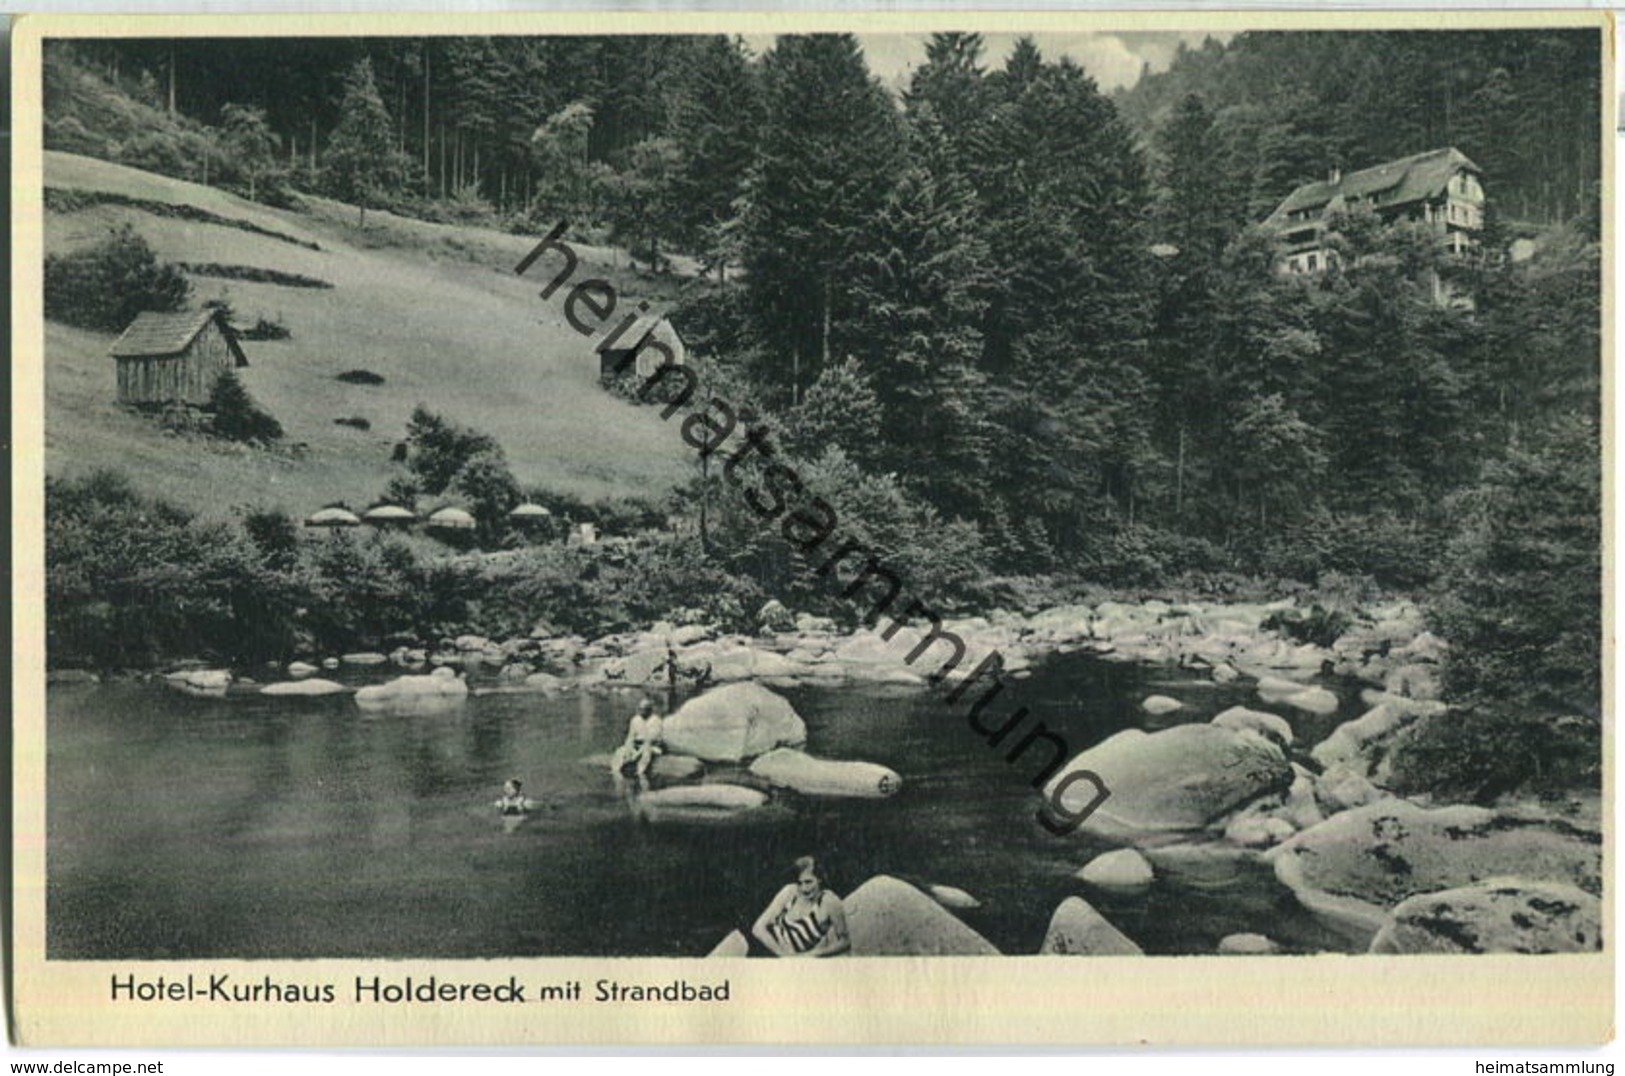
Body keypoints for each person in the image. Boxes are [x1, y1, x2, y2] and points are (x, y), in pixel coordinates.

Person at [751, 856, 850, 958]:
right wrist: (783, 955)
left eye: (808, 882)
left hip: (790, 963)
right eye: (799, 883)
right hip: (764, 949)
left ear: (819, 879)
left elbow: (845, 941)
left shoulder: (829, 902)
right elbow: (757, 928)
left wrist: (815, 953)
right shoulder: (790, 891)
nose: (803, 888)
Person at [610, 697, 664, 779]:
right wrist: (629, 747)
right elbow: (630, 736)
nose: (642, 711)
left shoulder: (656, 720)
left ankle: (640, 773)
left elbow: (651, 739)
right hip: (637, 744)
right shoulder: (635, 720)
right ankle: (616, 772)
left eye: (645, 709)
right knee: (620, 751)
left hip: (652, 746)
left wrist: (637, 753)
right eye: (640, 709)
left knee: (646, 753)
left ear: (650, 710)